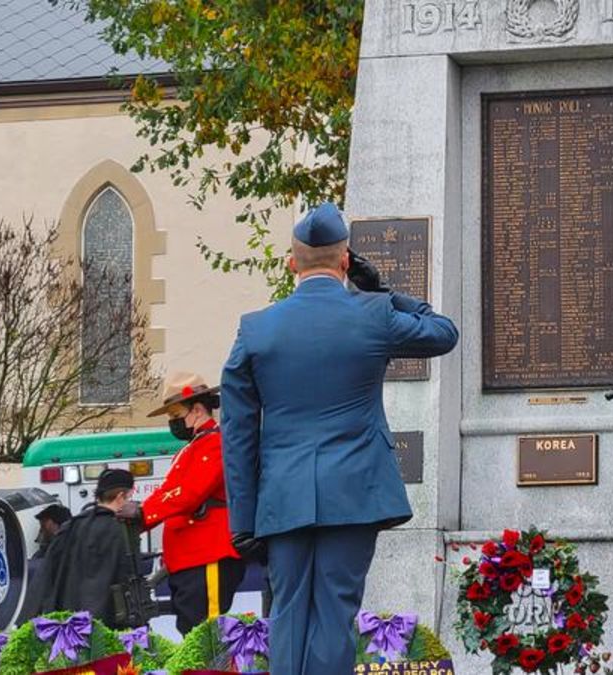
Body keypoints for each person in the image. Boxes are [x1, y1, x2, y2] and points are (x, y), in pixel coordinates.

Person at [221, 202, 459, 674]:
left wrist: (242, 519)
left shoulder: (256, 329)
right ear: (346, 261)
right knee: (334, 612)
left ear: (292, 263)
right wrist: (385, 292)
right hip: (353, 492)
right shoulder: (373, 314)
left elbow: (238, 430)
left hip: (283, 496)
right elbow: (443, 332)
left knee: (287, 614)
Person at [120, 372, 246, 636]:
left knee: (208, 639)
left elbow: (188, 493)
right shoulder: (193, 448)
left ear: (198, 410)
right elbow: (168, 492)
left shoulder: (214, 443)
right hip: (191, 560)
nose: (173, 424)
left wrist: (143, 513)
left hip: (208, 554)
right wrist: (137, 520)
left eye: (176, 416)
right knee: (194, 636)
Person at [38, 469, 139, 628]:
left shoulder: (71, 526)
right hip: (108, 625)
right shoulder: (120, 530)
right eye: (129, 497)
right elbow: (128, 576)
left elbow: (48, 574)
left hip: (70, 624)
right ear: (120, 497)